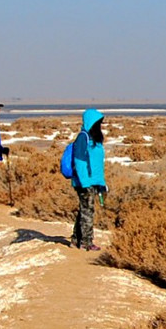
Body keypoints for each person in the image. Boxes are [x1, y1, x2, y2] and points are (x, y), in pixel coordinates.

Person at [69, 107, 107, 250]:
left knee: (84, 210)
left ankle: (75, 239)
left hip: (93, 181)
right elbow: (79, 161)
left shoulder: (94, 139)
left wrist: (101, 183)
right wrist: (84, 182)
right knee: (88, 211)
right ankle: (86, 242)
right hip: (85, 182)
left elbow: (96, 163)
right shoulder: (83, 137)